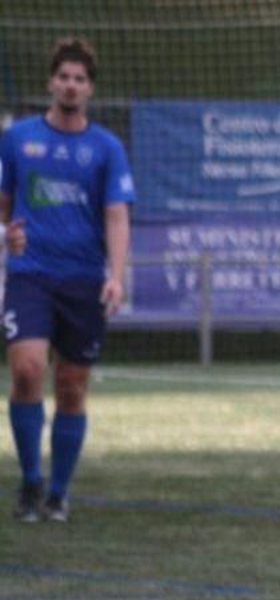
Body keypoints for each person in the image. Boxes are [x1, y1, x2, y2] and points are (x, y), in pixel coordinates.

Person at [2, 37, 134, 523]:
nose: (71, 85)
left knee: (73, 385)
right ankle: (30, 482)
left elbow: (117, 216)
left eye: (80, 79)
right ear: (50, 82)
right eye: (64, 77)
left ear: (90, 89)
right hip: (29, 274)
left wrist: (115, 277)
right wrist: (6, 234)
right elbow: (3, 203)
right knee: (27, 370)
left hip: (82, 279)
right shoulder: (17, 139)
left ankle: (58, 492)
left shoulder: (106, 148)